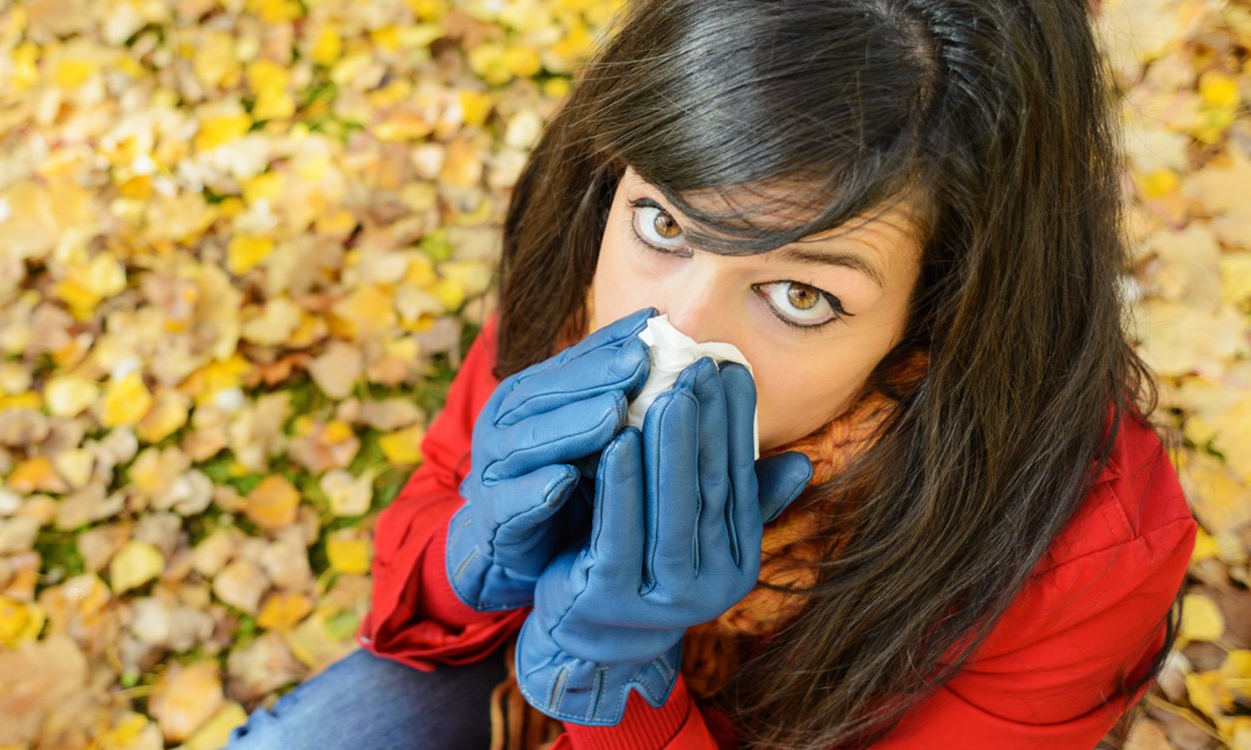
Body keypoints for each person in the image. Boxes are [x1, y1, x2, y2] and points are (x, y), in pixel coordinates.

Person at [220, 0, 1197, 748]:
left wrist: (628, 691)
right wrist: (468, 558)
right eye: (665, 224)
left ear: (933, 326)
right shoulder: (580, 282)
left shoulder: (1084, 551)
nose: (670, 333)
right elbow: (436, 525)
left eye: (801, 297)